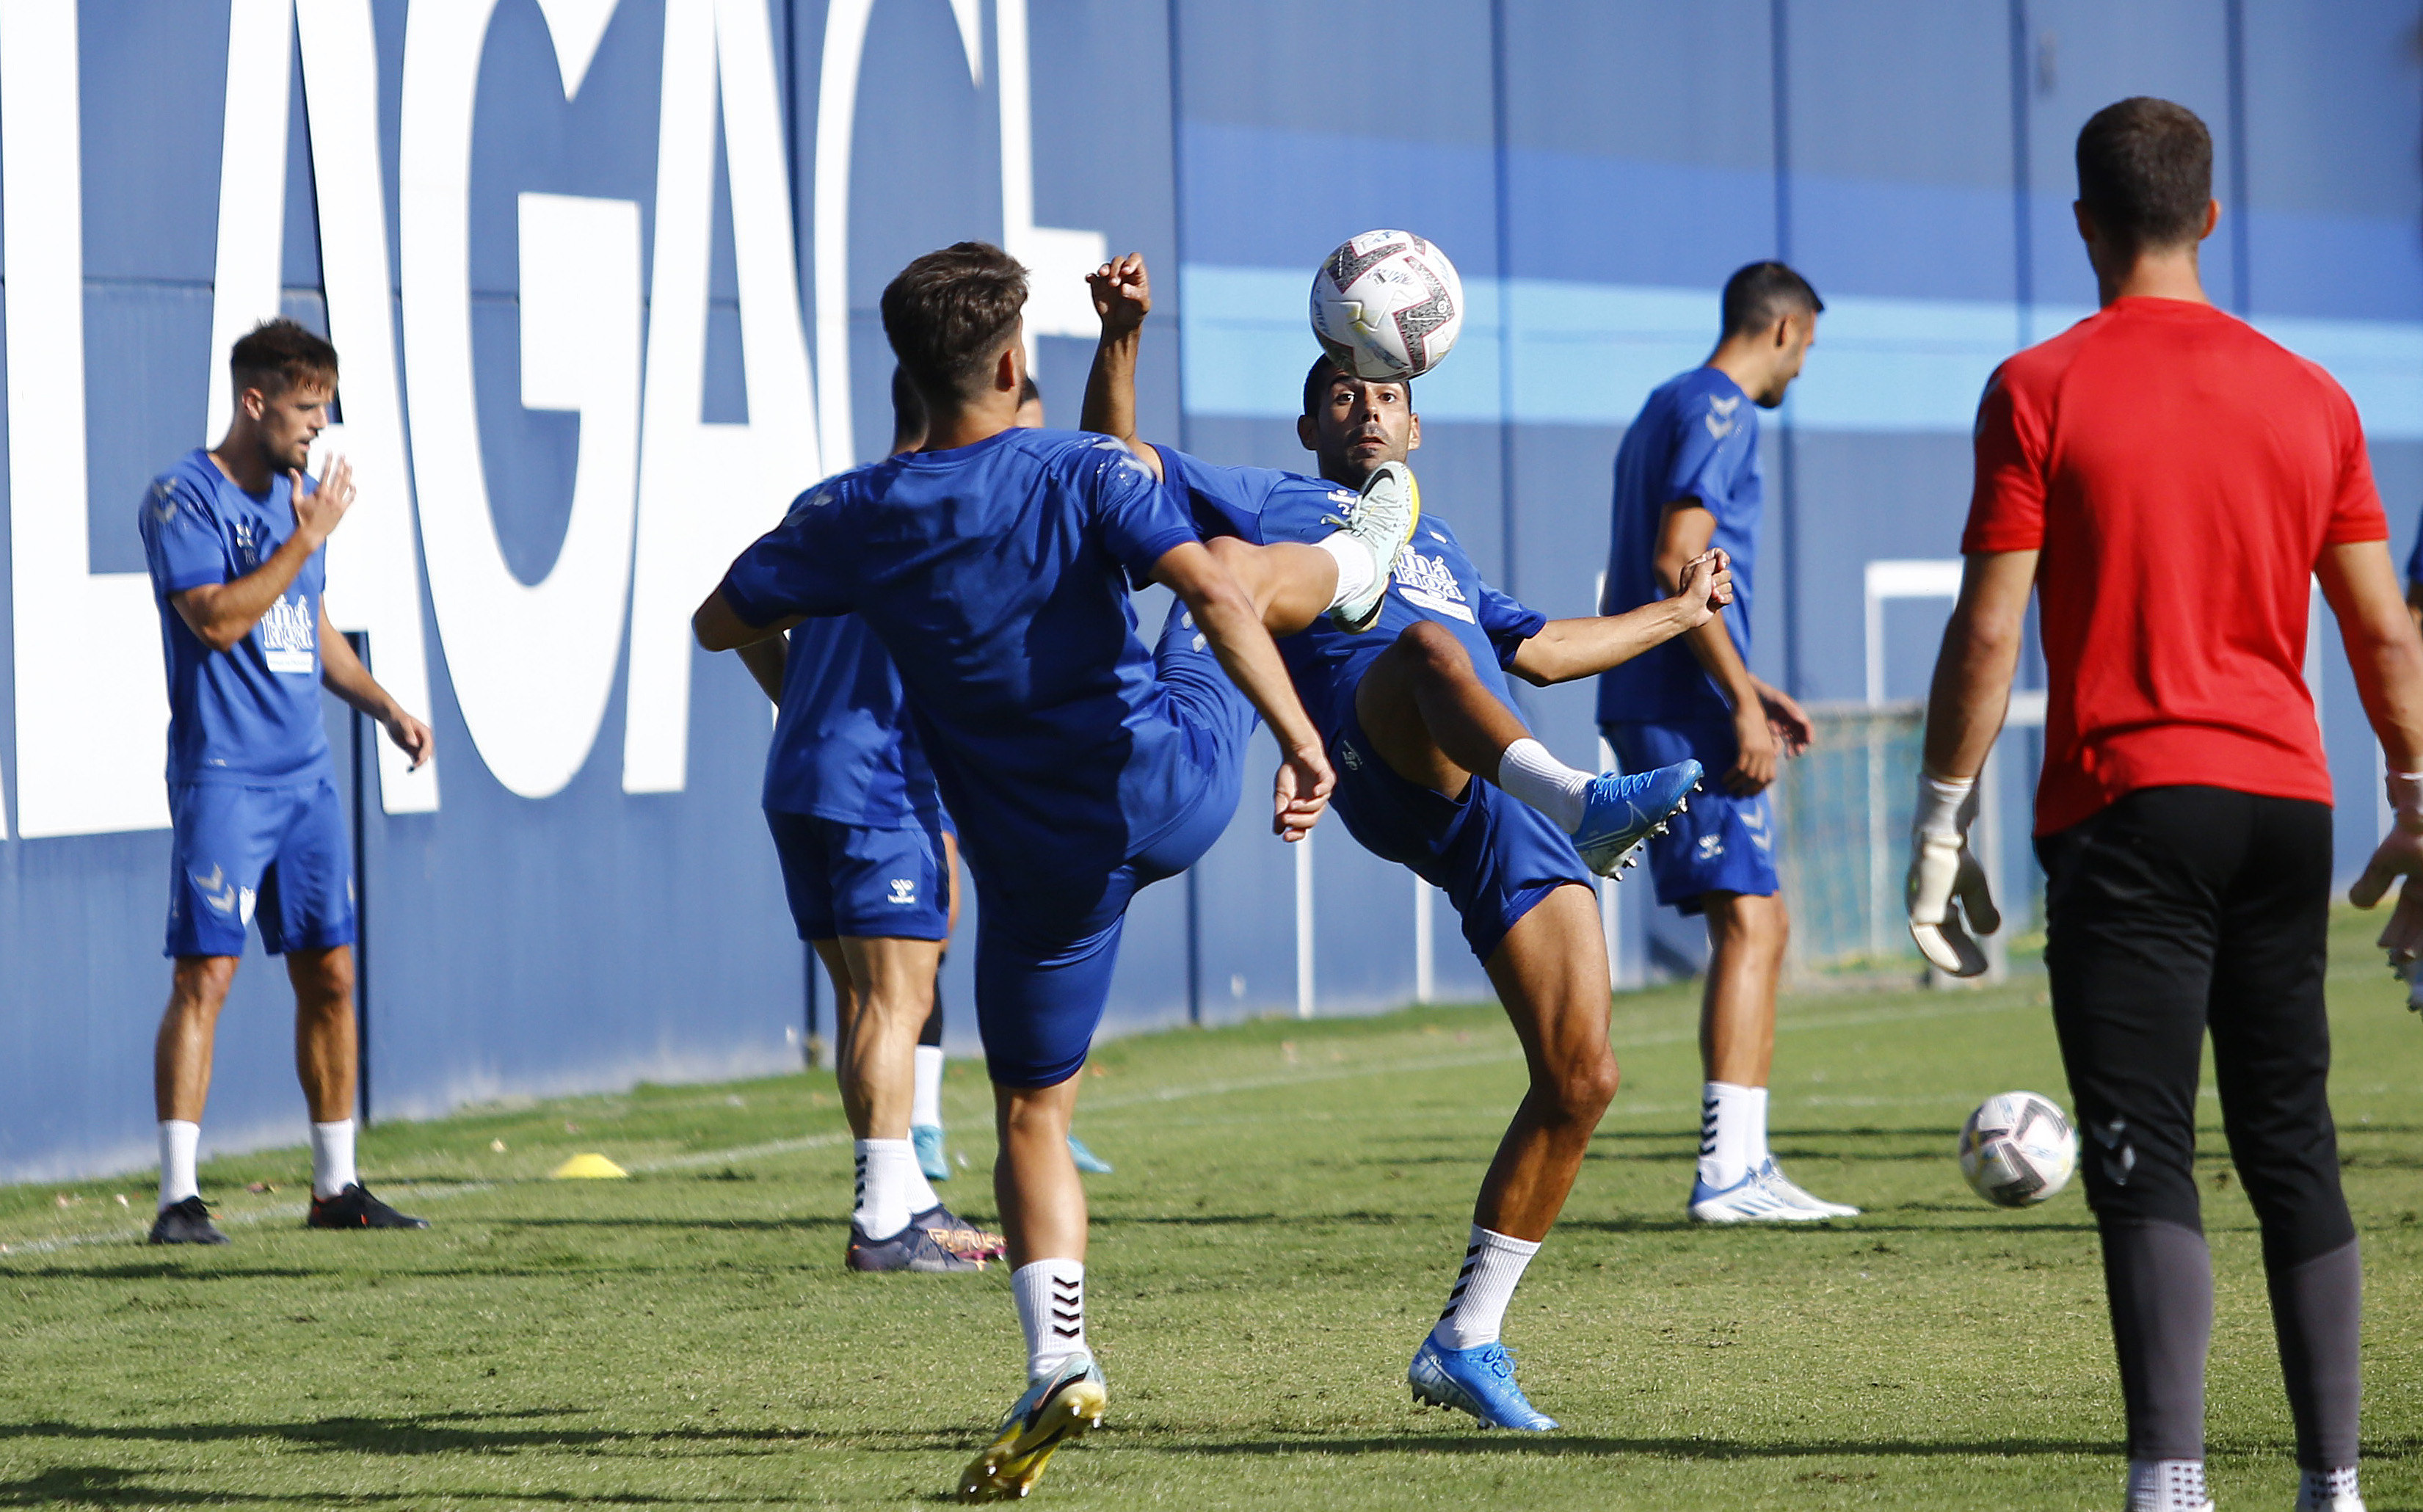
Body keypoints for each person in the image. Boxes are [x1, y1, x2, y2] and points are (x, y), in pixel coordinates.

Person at [693, 241, 1411, 1501]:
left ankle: (1057, 1358)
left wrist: (828, 653)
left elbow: (722, 618)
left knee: (1034, 1117)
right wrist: (1302, 745)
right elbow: (1200, 584)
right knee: (1220, 581)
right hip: (1167, 784)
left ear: (907, 370)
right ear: (1016, 362)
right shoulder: (1074, 465)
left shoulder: (849, 516)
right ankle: (1362, 555)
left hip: (1036, 863)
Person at [1079, 250, 1714, 1430]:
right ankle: (1586, 800)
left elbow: (1539, 650)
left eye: (1382, 394)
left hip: (1501, 809)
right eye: (1340, 391)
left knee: (1582, 1079)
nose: (1363, 405)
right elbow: (1113, 472)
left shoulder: (1445, 548)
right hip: (1392, 763)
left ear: (1414, 416)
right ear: (1311, 420)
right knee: (1425, 657)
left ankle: (1466, 1341)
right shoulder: (1276, 502)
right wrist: (1120, 340)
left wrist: (1677, 613)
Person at [1909, 97, 2423, 1512]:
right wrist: (2420, 791)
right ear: (2210, 216)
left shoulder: (2038, 387)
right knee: (2293, 1144)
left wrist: (1941, 814)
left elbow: (1988, 633)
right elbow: (2384, 632)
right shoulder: (2313, 395)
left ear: (2083, 222)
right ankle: (2334, 1487)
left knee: (2144, 1152)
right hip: (2285, 809)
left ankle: (2171, 1487)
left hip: (2130, 810)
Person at [137, 319, 435, 1244]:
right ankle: (178, 1198)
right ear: (254, 400)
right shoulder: (182, 497)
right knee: (207, 975)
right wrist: (303, 544)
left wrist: (383, 704)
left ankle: (335, 1185)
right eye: (307, 410)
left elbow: (308, 623)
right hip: (225, 778)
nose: (318, 429)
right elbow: (218, 620)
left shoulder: (295, 501)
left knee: (333, 974)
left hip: (306, 779)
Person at [720, 367, 1008, 1274]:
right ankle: (884, 1218)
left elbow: (722, 617)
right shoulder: (959, 513)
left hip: (800, 777)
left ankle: (905, 1197)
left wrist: (802, 698)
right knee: (895, 1000)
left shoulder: (832, 503)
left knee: (866, 1000)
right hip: (881, 787)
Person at [1598, 260, 1859, 1224]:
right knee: (1750, 921)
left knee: (1762, 919)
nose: (1801, 370)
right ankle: (1728, 1175)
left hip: (1673, 689)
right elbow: (1677, 561)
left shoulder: (1663, 403)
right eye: (1808, 351)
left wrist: (1752, 686)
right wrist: (1737, 709)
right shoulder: (1724, 411)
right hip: (1681, 698)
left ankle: (1745, 1162)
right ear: (1784, 330)